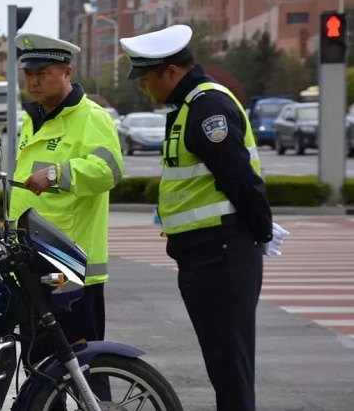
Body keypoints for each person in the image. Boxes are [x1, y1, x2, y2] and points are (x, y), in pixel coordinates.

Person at [120, 24, 289, 411]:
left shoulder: (207, 106)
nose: (145, 89)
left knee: (230, 365)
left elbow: (239, 177)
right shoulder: (187, 107)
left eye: (146, 80)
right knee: (222, 361)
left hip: (222, 253)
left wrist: (261, 231)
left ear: (171, 72)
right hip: (206, 253)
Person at [9, 33, 124, 362]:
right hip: (34, 260)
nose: (34, 82)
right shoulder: (34, 120)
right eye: (29, 74)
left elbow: (109, 170)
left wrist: (57, 174)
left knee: (85, 366)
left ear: (67, 73)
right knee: (40, 366)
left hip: (72, 266)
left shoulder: (92, 117)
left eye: (43, 73)